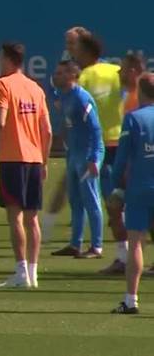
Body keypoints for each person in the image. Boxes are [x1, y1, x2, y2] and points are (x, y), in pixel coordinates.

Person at [0, 43, 52, 289]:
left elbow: (0, 122)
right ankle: (33, 273)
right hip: (34, 159)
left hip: (12, 158)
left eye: (0, 58)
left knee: (15, 217)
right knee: (32, 219)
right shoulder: (35, 88)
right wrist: (44, 161)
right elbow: (48, 130)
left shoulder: (3, 85)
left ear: (8, 59)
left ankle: (21, 272)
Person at [75, 35, 127, 275]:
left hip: (101, 146)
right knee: (130, 201)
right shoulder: (115, 71)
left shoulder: (85, 76)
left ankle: (122, 256)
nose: (74, 54)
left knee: (112, 203)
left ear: (86, 52)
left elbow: (80, 114)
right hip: (123, 142)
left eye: (76, 49)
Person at [49, 60, 104, 259]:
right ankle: (75, 243)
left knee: (91, 199)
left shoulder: (81, 98)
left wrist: (94, 157)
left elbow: (95, 129)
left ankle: (96, 246)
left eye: (61, 73)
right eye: (56, 72)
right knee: (75, 200)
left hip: (87, 154)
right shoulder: (64, 95)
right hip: (73, 153)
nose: (56, 76)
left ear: (72, 76)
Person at [110, 73, 154, 314]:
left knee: (136, 242)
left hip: (140, 188)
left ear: (140, 91)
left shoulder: (133, 118)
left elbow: (121, 158)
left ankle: (130, 300)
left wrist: (116, 186)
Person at [43, 26, 91, 240]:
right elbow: (54, 84)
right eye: (67, 42)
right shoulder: (66, 63)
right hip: (76, 132)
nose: (68, 46)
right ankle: (48, 226)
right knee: (69, 181)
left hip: (96, 135)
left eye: (72, 42)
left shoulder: (92, 67)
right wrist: (58, 101)